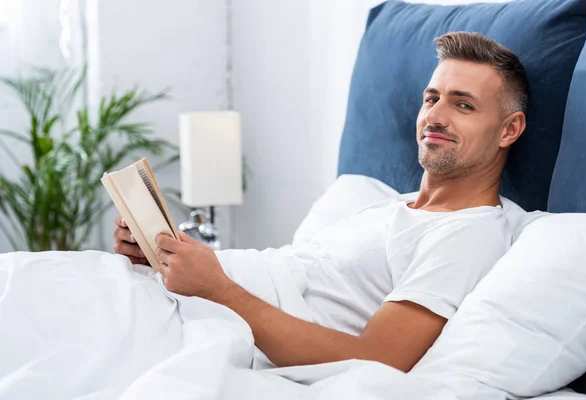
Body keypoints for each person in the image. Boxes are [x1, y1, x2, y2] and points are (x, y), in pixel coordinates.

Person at [113, 31, 528, 373]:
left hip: (211, 323)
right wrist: (165, 257)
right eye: (431, 98)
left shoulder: (467, 233)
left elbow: (378, 359)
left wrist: (216, 288)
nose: (435, 116)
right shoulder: (390, 206)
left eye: (463, 104)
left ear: (509, 130)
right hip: (188, 301)